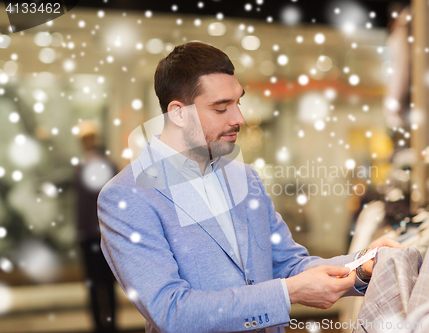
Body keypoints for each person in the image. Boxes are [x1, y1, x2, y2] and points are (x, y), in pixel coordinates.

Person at [97, 42, 403, 333]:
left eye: (238, 102)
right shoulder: (125, 197)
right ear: (177, 113)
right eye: (221, 108)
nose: (239, 118)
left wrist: (362, 263)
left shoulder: (244, 177)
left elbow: (288, 264)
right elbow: (171, 313)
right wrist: (287, 294)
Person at [75, 120, 117, 333]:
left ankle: (108, 326)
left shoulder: (104, 165)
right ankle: (101, 326)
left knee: (106, 284)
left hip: (102, 234)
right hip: (91, 234)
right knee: (96, 285)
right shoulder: (83, 166)